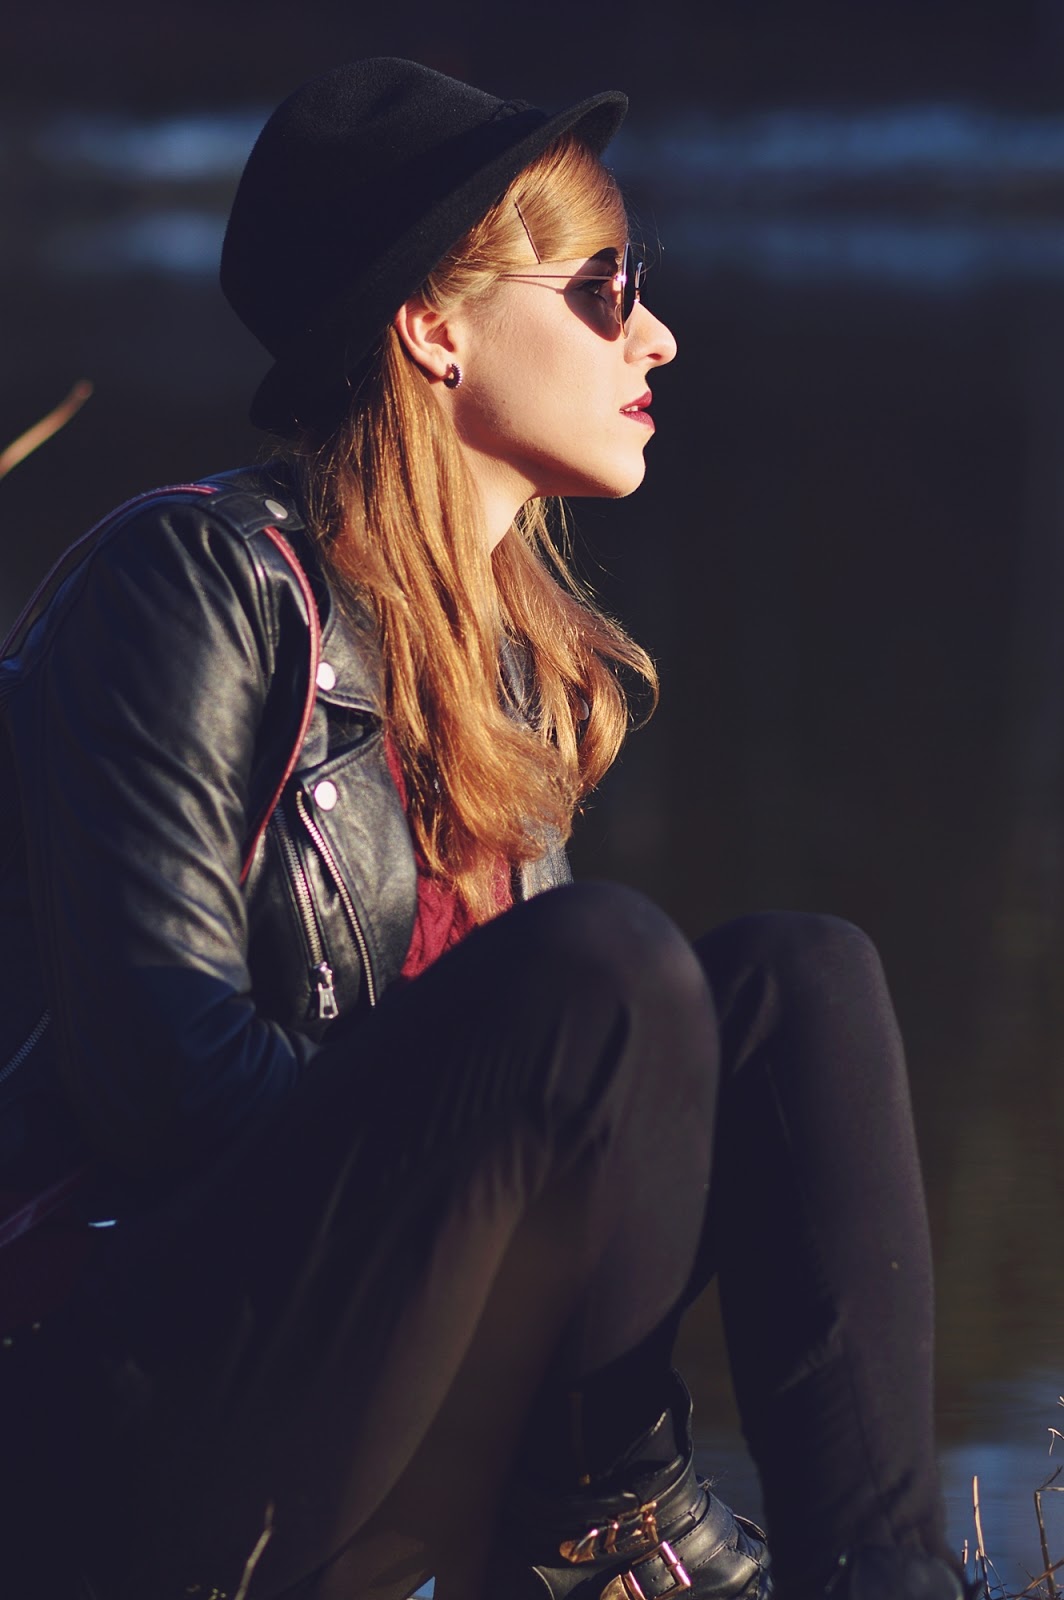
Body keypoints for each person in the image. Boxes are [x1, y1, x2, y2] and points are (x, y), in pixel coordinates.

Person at [0, 58, 974, 1600]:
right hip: (133, 1447)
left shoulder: (496, 662)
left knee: (803, 978)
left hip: (389, 1419)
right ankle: (616, 1519)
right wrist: (478, 1117)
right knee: (603, 972)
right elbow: (160, 1092)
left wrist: (520, 1149)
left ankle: (882, 1576)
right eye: (603, 287)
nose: (654, 332)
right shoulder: (192, 586)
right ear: (434, 327)